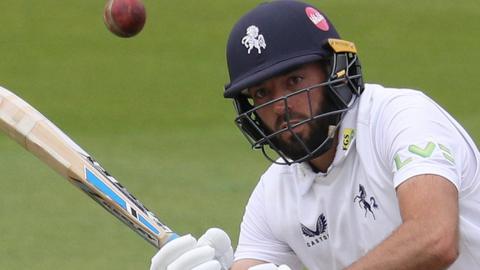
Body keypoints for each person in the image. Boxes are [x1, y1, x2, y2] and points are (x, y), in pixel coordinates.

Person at [150, 1, 480, 269]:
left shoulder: (400, 117)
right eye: (263, 93)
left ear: (334, 71)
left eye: (294, 81)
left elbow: (435, 237)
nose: (281, 106)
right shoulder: (273, 193)